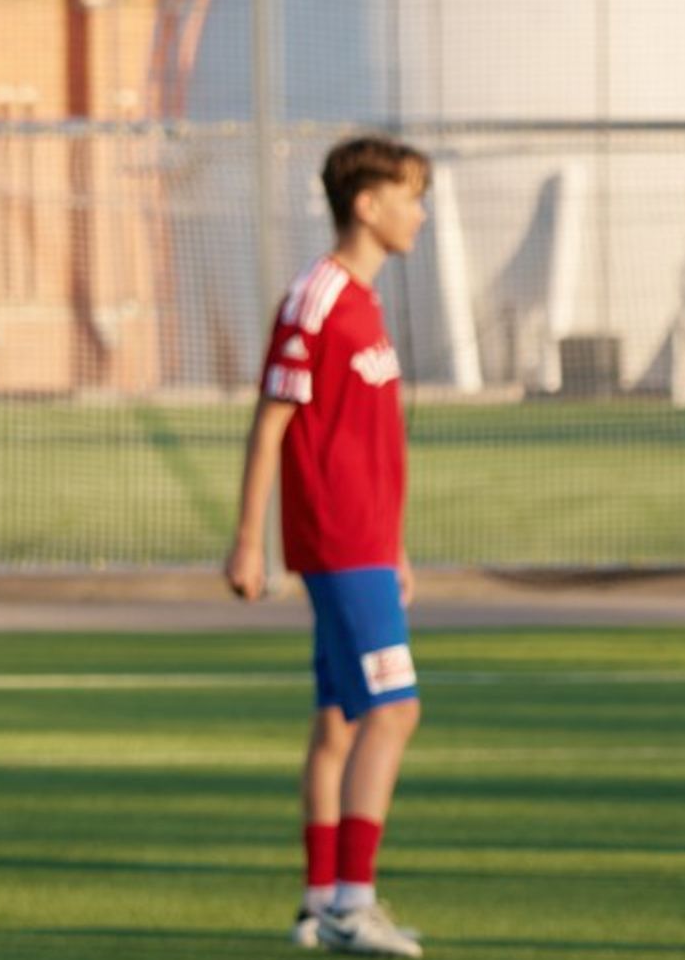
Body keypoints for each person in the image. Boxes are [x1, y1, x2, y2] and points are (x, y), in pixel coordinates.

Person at [226, 135, 434, 957]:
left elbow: (367, 440)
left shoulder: (366, 302)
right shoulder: (315, 299)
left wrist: (397, 545)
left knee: (341, 723)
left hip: (367, 546)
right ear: (368, 203)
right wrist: (251, 540)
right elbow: (271, 421)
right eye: (411, 195)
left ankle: (318, 902)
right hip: (336, 544)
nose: (420, 211)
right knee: (396, 710)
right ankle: (355, 901)